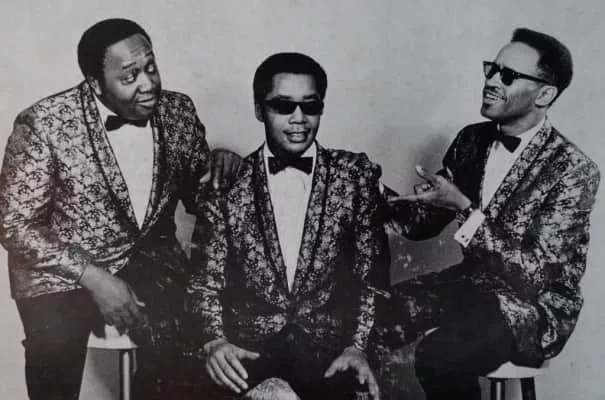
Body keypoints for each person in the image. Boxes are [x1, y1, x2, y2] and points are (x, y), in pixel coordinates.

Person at [0, 18, 240, 400]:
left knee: (193, 347)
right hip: (60, 274)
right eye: (129, 76)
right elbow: (14, 223)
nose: (148, 84)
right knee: (54, 355)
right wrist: (94, 278)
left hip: (152, 261)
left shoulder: (178, 110)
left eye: (151, 67)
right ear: (95, 84)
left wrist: (222, 166)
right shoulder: (43, 123)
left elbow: (200, 198)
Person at [375, 27, 601, 400]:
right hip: (470, 286)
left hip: (531, 307)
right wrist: (369, 190)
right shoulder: (472, 139)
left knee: (440, 355)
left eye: (507, 75)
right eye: (491, 69)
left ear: (545, 94)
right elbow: (420, 227)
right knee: (363, 318)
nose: (491, 81)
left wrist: (464, 208)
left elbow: (534, 273)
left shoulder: (573, 170)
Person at [184, 52, 390, 400]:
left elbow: (371, 278)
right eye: (283, 106)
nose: (299, 119)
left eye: (310, 106)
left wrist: (358, 347)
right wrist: (214, 341)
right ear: (259, 109)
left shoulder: (354, 176)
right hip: (248, 354)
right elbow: (204, 282)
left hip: (330, 358)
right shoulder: (227, 184)